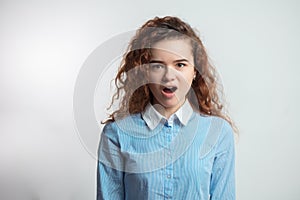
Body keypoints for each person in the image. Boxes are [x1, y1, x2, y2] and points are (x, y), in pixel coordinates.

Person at [97, 16, 238, 200]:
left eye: (180, 64)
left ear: (195, 71)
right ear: (145, 71)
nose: (169, 76)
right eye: (157, 65)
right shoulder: (116, 134)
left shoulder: (218, 133)